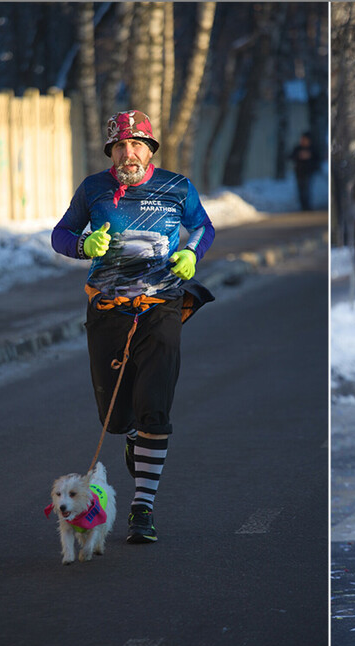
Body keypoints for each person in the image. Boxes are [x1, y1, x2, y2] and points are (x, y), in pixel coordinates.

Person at [52, 110, 215, 544]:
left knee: (155, 408)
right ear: (111, 151)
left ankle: (142, 509)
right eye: (121, 145)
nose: (130, 152)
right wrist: (83, 244)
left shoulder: (177, 187)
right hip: (107, 310)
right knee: (115, 415)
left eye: (138, 144)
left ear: (151, 149)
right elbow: (60, 234)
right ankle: (132, 438)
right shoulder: (94, 189)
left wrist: (192, 254)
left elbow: (202, 226)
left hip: (160, 305)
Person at [290, 131, 318, 211]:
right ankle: (303, 206)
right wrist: (298, 156)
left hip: (308, 172)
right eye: (302, 139)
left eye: (305, 139)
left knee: (306, 189)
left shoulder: (312, 149)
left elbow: (316, 160)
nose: (303, 141)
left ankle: (307, 206)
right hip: (299, 172)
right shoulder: (298, 148)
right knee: (300, 189)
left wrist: (309, 157)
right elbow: (291, 156)